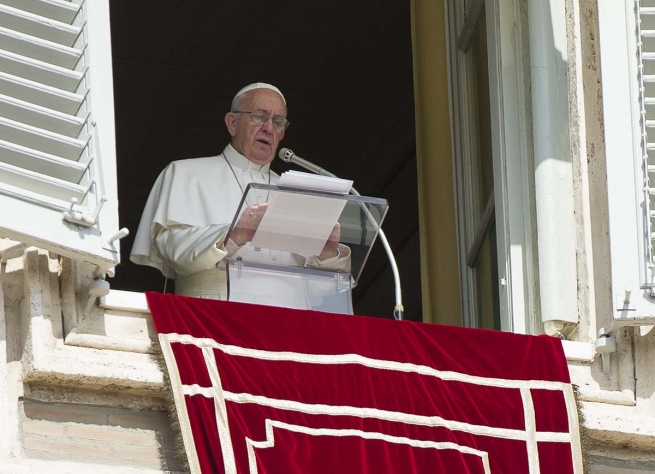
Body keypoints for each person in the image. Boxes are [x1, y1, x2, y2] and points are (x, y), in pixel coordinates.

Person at [131, 83, 350, 308]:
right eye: (259, 116)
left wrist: (328, 255)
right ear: (232, 123)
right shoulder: (185, 173)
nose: (268, 128)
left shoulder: (299, 193)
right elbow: (172, 250)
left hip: (291, 322)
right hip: (213, 312)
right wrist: (233, 235)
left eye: (277, 122)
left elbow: (322, 292)